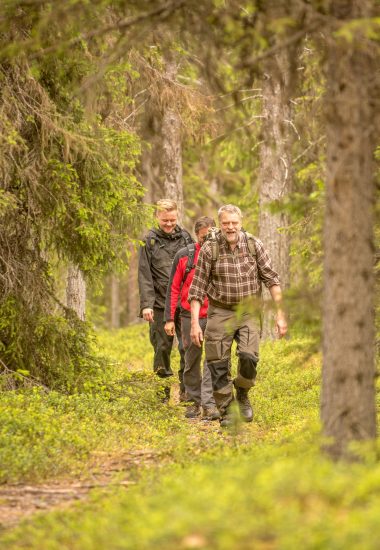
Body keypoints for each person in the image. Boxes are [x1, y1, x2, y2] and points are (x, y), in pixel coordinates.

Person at [188, 204, 287, 427]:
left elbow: (272, 281)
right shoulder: (209, 249)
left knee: (249, 357)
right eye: (225, 223)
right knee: (217, 363)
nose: (230, 227)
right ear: (220, 224)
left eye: (234, 223)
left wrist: (280, 315)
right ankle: (226, 410)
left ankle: (242, 393)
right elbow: (197, 289)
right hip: (219, 310)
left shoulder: (254, 245)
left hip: (248, 310)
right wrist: (195, 324)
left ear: (240, 223)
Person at [164, 216, 220, 421]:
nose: (208, 241)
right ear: (197, 236)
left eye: (211, 236)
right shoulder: (184, 255)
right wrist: (170, 318)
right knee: (191, 358)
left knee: (213, 360)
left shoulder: (221, 254)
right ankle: (194, 402)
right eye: (204, 237)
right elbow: (173, 288)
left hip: (215, 314)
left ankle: (209, 404)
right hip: (189, 315)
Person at [138, 199, 193, 402]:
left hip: (184, 303)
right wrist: (146, 305)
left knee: (187, 347)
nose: (169, 224)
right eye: (164, 220)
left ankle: (187, 393)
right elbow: (144, 275)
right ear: (157, 217)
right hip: (160, 304)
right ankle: (162, 395)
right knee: (162, 348)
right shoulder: (149, 241)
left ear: (177, 216)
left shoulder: (186, 237)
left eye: (172, 220)